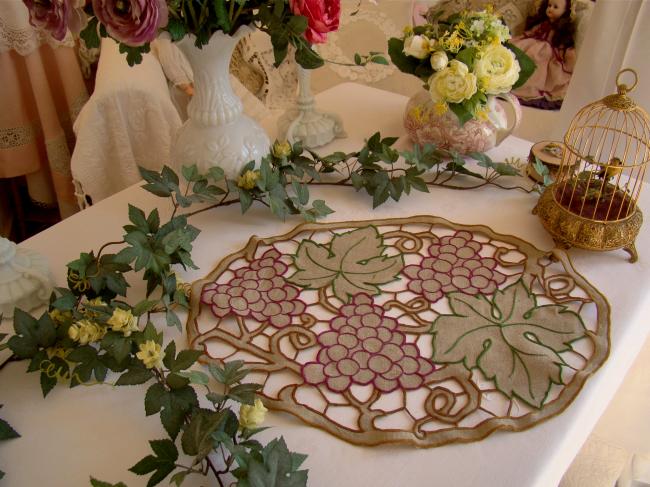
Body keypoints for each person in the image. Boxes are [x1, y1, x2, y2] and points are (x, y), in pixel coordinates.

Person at [511, 0, 576, 109]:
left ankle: (526, 83)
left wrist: (561, 56)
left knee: (537, 65)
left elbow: (560, 45)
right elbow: (532, 32)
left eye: (555, 7)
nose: (550, 9)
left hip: (545, 53)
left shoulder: (559, 29)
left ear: (565, 11)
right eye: (549, 6)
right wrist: (522, 37)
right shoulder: (543, 23)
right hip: (530, 43)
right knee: (516, 51)